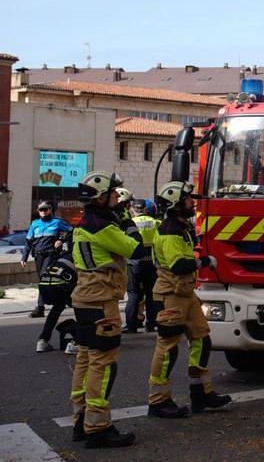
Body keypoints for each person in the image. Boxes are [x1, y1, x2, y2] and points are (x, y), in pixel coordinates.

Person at [69, 170, 148, 448]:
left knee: (86, 359)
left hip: (84, 298)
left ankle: (81, 419)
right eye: (112, 194)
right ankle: (98, 426)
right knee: (104, 363)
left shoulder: (84, 224)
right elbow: (136, 249)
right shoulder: (103, 227)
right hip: (102, 300)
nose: (117, 197)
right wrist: (128, 221)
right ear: (100, 198)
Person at [147, 181, 231, 419]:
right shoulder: (170, 230)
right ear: (175, 204)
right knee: (167, 348)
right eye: (187, 199)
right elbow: (178, 265)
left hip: (184, 293)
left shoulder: (180, 226)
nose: (192, 202)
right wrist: (205, 262)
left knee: (202, 339)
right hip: (170, 294)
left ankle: (201, 393)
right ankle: (158, 401)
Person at [22, 201, 73, 318]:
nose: (43, 212)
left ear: (50, 210)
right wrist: (24, 257)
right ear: (38, 211)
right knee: (44, 279)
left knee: (43, 278)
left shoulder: (57, 222)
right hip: (38, 255)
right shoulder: (35, 224)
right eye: (41, 210)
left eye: (45, 209)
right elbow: (28, 242)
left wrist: (61, 239)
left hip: (51, 255)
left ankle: (40, 307)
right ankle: (63, 298)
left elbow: (72, 230)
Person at [124, 198, 158, 334]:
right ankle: (150, 324)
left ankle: (131, 326)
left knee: (133, 295)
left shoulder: (130, 224)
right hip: (150, 263)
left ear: (133, 209)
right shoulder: (155, 223)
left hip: (133, 264)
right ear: (145, 209)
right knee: (150, 295)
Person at [35, 240, 76, 353]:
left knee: (58, 307)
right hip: (61, 284)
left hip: (45, 283)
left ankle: (43, 340)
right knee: (81, 306)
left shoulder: (63, 255)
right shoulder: (78, 255)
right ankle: (77, 342)